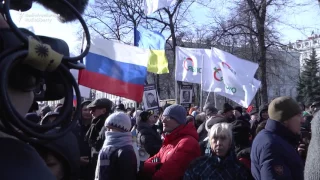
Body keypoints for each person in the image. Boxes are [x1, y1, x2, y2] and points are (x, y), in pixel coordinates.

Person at [139, 104, 201, 180]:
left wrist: (157, 167)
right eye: (163, 117)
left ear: (179, 120)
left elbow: (166, 175)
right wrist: (156, 166)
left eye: (168, 118)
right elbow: (148, 163)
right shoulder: (170, 140)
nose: (163, 120)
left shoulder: (187, 143)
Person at [251, 97, 304, 180]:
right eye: (298, 116)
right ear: (285, 119)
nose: (302, 120)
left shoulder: (271, 138)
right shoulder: (272, 146)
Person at [184, 123, 251, 179]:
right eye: (215, 138)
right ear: (210, 141)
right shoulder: (198, 165)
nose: (218, 143)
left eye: (223, 138)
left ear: (230, 142)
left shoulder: (239, 169)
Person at [95, 112, 137, 180]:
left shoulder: (126, 152)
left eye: (111, 129)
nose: (107, 132)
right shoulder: (108, 145)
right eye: (107, 129)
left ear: (121, 130)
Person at [84, 98, 113, 179]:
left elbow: (99, 145)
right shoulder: (96, 123)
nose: (91, 112)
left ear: (103, 110)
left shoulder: (105, 125)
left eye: (93, 109)